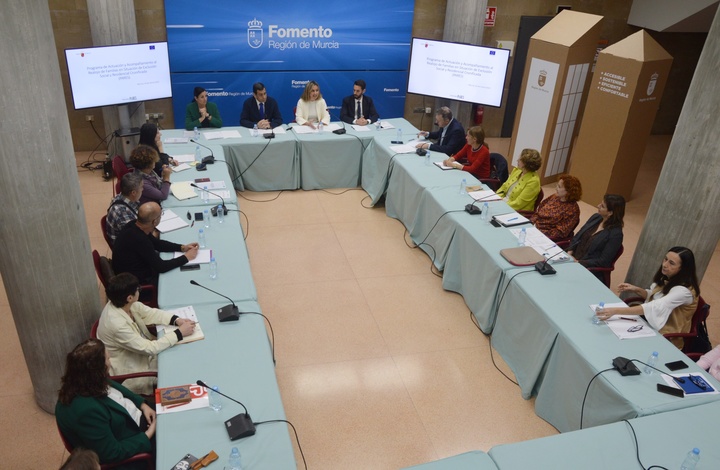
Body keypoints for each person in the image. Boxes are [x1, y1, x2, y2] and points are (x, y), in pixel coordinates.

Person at [55, 339, 155, 466]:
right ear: (97, 370)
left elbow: (113, 385)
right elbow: (111, 453)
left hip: (141, 415)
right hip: (135, 437)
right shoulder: (86, 412)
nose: (110, 362)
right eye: (107, 359)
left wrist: (143, 404)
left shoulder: (84, 380)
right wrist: (148, 435)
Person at [97, 273, 196, 394]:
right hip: (132, 367)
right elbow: (148, 348)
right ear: (129, 297)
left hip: (140, 352)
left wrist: (176, 320)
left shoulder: (123, 303)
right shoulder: (116, 324)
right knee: (179, 367)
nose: (139, 291)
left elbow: (150, 313)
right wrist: (179, 333)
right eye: (138, 289)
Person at [595, 247, 700, 348]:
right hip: (650, 324)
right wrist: (636, 289)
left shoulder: (684, 291)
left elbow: (655, 306)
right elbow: (655, 297)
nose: (665, 264)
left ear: (683, 269)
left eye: (671, 263)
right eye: (665, 259)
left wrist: (616, 310)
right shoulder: (669, 277)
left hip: (666, 336)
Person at [112, 202, 199, 285]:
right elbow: (161, 267)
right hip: (136, 282)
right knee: (178, 279)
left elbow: (157, 244)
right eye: (160, 215)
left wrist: (182, 248)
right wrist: (186, 257)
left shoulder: (134, 224)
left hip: (131, 270)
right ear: (154, 221)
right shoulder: (140, 240)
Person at [567, 194, 625, 280]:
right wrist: (569, 252)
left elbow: (603, 261)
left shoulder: (616, 235)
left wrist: (578, 262)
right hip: (572, 258)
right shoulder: (596, 217)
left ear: (610, 213)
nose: (598, 206)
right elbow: (578, 235)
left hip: (588, 268)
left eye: (602, 206)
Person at [530, 174, 582, 240]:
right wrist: (530, 222)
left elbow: (560, 232)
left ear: (569, 191)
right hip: (533, 227)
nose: (556, 188)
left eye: (559, 187)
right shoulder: (554, 197)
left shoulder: (572, 210)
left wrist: (538, 233)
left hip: (544, 236)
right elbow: (539, 210)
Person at [106, 172, 143, 245]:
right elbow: (137, 240)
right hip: (128, 250)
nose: (143, 189)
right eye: (142, 187)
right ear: (133, 193)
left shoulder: (123, 197)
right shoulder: (122, 213)